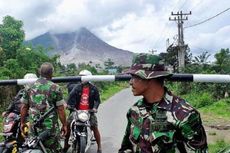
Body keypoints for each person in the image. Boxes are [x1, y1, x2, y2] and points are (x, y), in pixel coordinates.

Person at [118, 53, 208, 153]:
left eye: (135, 77)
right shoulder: (134, 110)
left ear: (150, 78)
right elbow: (126, 147)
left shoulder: (185, 115)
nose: (130, 82)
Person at [20, 62, 67, 153]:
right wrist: (64, 125)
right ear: (51, 73)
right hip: (50, 127)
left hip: (34, 126)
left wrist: (22, 123)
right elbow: (61, 109)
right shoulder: (55, 87)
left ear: (39, 72)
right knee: (54, 149)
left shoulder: (29, 86)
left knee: (35, 147)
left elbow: (24, 106)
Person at [63, 69, 102, 153]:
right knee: (67, 125)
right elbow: (70, 96)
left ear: (88, 78)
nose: (81, 78)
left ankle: (99, 147)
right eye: (80, 77)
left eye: (83, 77)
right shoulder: (77, 87)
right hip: (77, 111)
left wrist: (95, 108)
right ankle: (66, 145)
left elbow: (97, 100)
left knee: (94, 127)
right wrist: (68, 105)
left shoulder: (94, 89)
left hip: (89, 111)